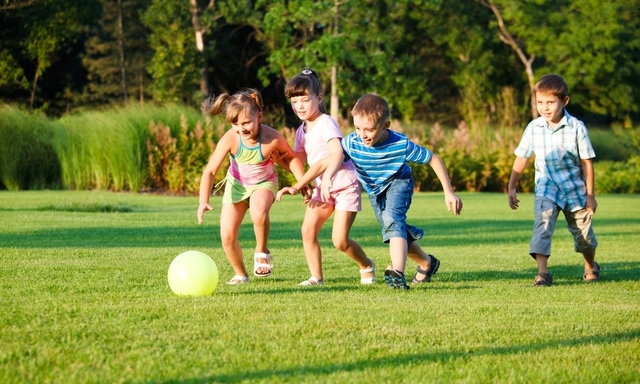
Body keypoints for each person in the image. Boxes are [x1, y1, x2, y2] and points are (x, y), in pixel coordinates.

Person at [280, 93, 462, 290]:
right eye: (358, 128)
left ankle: (397, 273)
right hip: (375, 190)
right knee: (393, 229)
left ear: (385, 125)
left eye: (369, 129)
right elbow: (325, 162)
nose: (363, 134)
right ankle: (427, 263)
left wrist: (448, 192)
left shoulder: (400, 144)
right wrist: (300, 185)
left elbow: (433, 158)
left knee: (392, 219)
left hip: (399, 182)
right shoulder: (353, 142)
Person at [276, 68, 375, 286]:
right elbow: (298, 163)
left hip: (344, 184)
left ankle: (366, 265)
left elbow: (337, 152)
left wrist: (327, 177)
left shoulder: (326, 122)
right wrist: (276, 159)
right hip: (323, 188)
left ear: (318, 99)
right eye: (294, 101)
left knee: (339, 241)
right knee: (307, 230)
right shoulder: (301, 130)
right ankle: (316, 277)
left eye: (305, 99)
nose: (299, 106)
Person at [198, 88, 306, 285]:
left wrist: (302, 183)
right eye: (235, 124)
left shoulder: (271, 138)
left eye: (247, 122)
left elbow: (291, 159)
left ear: (259, 116)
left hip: (264, 183)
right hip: (236, 186)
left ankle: (261, 250)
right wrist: (203, 201)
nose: (242, 129)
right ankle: (240, 273)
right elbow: (210, 171)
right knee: (227, 235)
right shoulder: (231, 138)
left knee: (258, 212)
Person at [508, 74, 599, 287]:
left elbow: (587, 163)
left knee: (584, 237)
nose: (545, 108)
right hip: (546, 187)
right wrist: (512, 185)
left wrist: (591, 195)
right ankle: (543, 273)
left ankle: (590, 265)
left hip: (575, 190)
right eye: (540, 102)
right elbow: (522, 157)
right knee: (543, 225)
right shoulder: (533, 127)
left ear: (564, 101)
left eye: (550, 102)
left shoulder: (576, 127)